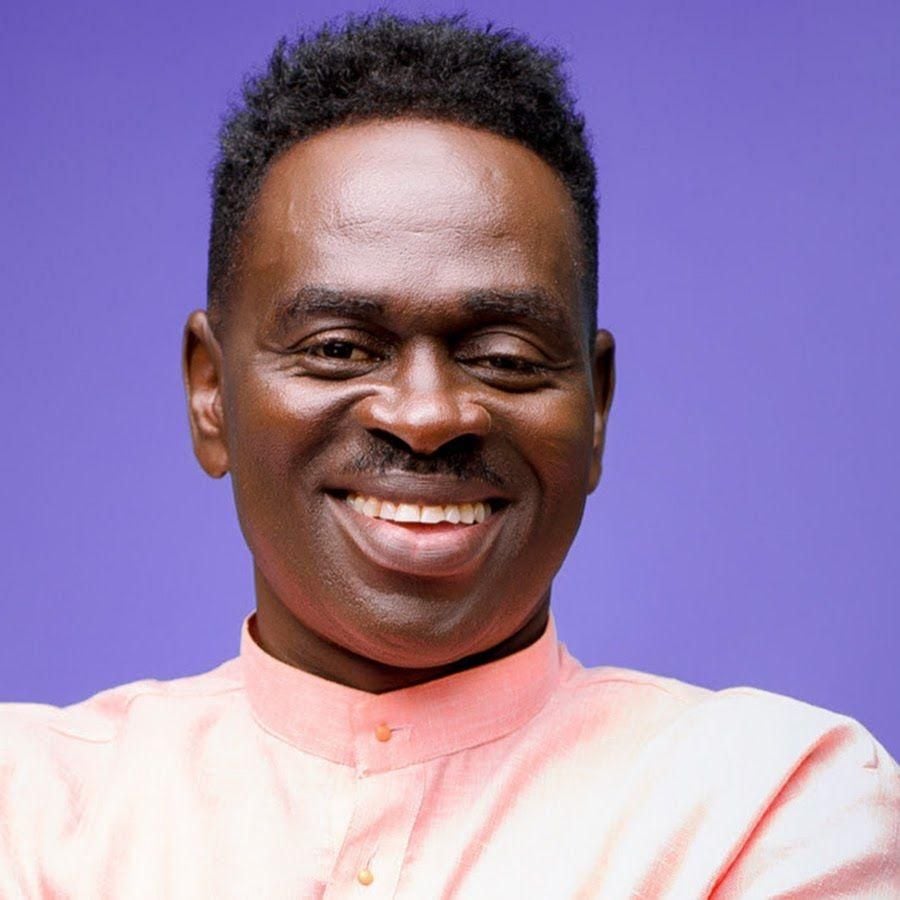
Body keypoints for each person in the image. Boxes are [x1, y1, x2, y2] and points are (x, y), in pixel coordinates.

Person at [1, 13, 896, 897]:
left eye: (504, 357)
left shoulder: (773, 807)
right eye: (340, 348)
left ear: (596, 407)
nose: (427, 416)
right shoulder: (29, 806)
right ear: (211, 393)